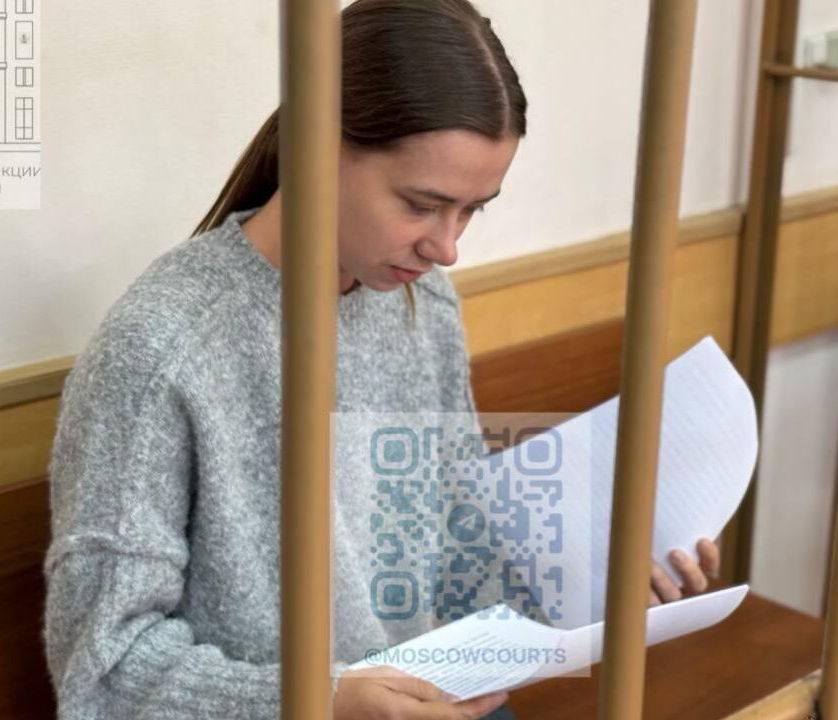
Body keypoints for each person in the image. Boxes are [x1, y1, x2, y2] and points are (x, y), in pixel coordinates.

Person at [42, 1, 718, 718]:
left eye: (472, 210)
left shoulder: (423, 303)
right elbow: (103, 670)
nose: (446, 247)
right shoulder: (162, 347)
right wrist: (322, 701)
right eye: (422, 204)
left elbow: (454, 557)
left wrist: (591, 585)